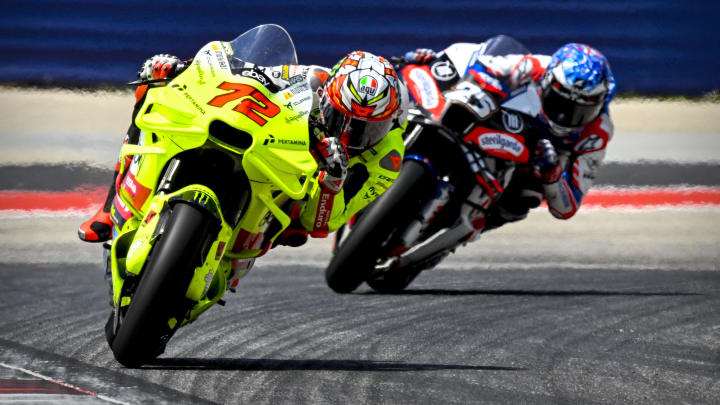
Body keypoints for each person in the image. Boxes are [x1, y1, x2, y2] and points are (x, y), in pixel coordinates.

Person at [78, 50, 408, 249]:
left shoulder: (387, 159)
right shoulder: (313, 79)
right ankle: (110, 206)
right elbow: (246, 74)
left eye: (368, 127)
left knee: (295, 229)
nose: (351, 134)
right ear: (327, 95)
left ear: (391, 121)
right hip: (278, 155)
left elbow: (321, 224)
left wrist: (333, 180)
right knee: (150, 92)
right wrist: (182, 68)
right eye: (343, 118)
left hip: (300, 200)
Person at [404, 36, 616, 230]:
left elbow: (567, 206)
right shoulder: (534, 67)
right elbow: (485, 67)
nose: (564, 116)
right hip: (499, 124)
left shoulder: (597, 132)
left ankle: (451, 235)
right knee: (411, 73)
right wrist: (434, 64)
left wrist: (552, 175)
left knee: (522, 200)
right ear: (548, 81)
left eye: (581, 111)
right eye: (559, 101)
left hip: (534, 158)